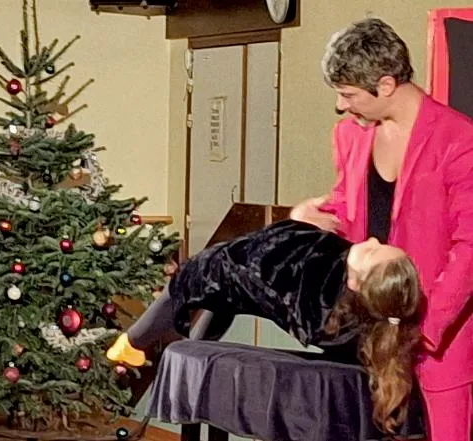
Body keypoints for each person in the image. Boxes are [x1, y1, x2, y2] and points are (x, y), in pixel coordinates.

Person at [291, 18, 473, 441]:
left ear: (386, 84)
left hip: (438, 343)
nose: (340, 105)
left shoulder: (459, 139)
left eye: (348, 94)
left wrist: (421, 330)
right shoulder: (349, 136)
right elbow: (348, 207)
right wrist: (309, 217)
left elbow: (469, 248)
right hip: (367, 334)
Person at [106, 219, 421, 434]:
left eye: (370, 251)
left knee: (196, 276)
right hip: (251, 283)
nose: (371, 239)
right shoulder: (376, 316)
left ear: (355, 284)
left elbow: (258, 267)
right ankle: (172, 344)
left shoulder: (322, 304)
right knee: (217, 294)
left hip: (244, 270)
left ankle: (132, 341)